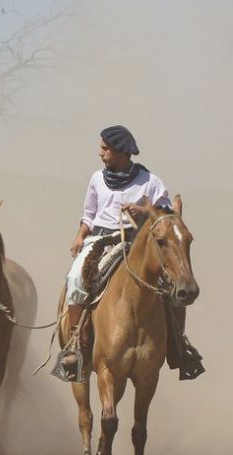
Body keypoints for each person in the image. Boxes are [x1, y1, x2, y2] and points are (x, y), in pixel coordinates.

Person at [56, 125, 202, 381]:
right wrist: (80, 236)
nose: (100, 153)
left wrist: (142, 211)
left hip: (138, 244)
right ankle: (76, 346)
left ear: (120, 151)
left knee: (171, 287)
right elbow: (89, 214)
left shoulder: (150, 182)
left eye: (104, 148)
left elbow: (167, 217)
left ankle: (178, 345)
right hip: (100, 240)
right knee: (75, 279)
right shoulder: (96, 179)